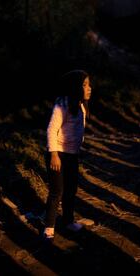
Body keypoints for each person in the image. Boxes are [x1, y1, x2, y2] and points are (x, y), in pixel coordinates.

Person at [42, 70, 92, 242]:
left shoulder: (81, 106)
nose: (89, 88)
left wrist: (78, 147)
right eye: (85, 85)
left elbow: (79, 130)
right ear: (75, 87)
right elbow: (51, 130)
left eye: (89, 84)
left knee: (71, 189)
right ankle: (49, 227)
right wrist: (54, 154)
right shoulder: (61, 105)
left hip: (72, 155)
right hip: (57, 155)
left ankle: (68, 221)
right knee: (57, 191)